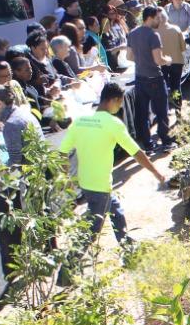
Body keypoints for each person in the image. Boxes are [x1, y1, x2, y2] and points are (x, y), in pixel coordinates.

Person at [58, 81, 166, 248]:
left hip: (85, 182)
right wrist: (156, 172)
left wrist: (67, 180)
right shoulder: (113, 124)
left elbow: (62, 152)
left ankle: (127, 246)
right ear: (113, 100)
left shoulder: (80, 121)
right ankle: (69, 265)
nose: (120, 107)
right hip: (100, 186)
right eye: (120, 103)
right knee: (92, 229)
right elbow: (136, 153)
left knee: (115, 210)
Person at [126, 6, 175, 153]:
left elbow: (129, 57)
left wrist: (142, 61)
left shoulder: (132, 33)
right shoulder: (153, 35)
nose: (159, 20)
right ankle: (165, 141)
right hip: (155, 78)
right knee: (161, 112)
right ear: (150, 18)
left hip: (140, 78)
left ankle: (147, 145)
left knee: (143, 114)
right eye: (157, 18)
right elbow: (158, 60)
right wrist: (168, 60)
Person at [156, 14, 186, 110]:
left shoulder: (154, 32)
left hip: (162, 62)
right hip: (177, 61)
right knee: (176, 86)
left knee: (162, 87)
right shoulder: (176, 28)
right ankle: (178, 107)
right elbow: (183, 47)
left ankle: (164, 109)